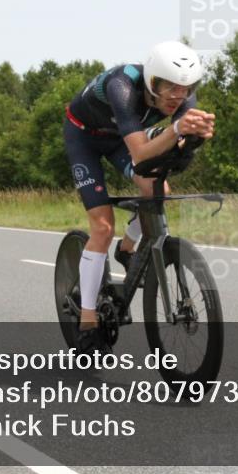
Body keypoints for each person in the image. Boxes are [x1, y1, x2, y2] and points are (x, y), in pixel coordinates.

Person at [62, 41, 215, 353]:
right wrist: (176, 130)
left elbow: (173, 146)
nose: (178, 96)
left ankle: (127, 248)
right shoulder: (122, 87)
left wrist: (192, 140)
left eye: (185, 88)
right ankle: (88, 319)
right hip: (84, 138)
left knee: (159, 191)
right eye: (169, 86)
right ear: (151, 81)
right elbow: (141, 153)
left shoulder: (185, 97)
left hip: (121, 139)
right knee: (102, 227)